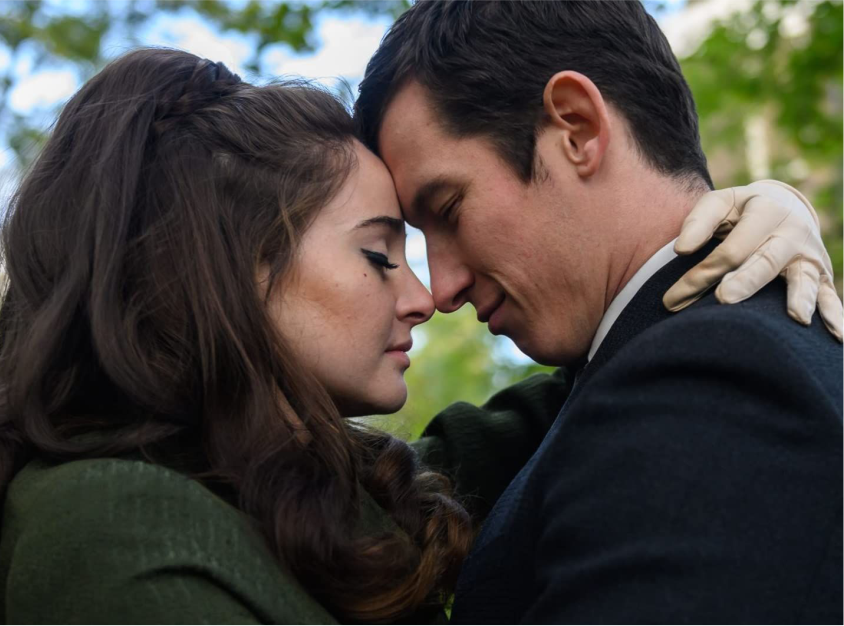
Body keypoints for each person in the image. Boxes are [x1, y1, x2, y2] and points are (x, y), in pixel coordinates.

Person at [0, 48, 836, 626]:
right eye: (378, 253)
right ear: (226, 274)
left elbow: (605, 395)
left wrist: (742, 226)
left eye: (432, 226)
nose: (427, 295)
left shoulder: (318, 494)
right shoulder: (113, 526)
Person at [353, 0, 844, 623]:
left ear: (578, 128)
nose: (440, 290)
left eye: (449, 209)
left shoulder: (711, 379)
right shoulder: (650, 374)